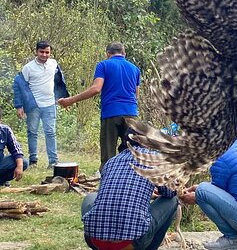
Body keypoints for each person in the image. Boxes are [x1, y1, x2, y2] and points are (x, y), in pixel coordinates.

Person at [80, 132, 178, 250]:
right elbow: (170, 193)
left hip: (95, 240)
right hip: (131, 244)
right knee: (173, 200)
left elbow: (104, 194)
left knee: (91, 197)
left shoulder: (111, 161)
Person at [58, 42, 141, 169]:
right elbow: (136, 95)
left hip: (111, 113)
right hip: (131, 114)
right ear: (124, 53)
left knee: (108, 154)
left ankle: (107, 182)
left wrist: (70, 100)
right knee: (132, 152)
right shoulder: (135, 69)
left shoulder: (103, 65)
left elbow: (96, 89)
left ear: (108, 54)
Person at [12, 40, 69, 168]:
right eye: (41, 52)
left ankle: (53, 161)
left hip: (50, 104)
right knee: (32, 132)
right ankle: (33, 161)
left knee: (50, 132)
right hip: (33, 105)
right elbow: (18, 85)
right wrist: (19, 106)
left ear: (50, 52)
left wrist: (64, 99)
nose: (44, 55)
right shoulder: (28, 67)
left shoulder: (54, 64)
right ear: (36, 52)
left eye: (47, 52)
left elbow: (60, 82)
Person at [0, 119, 27, 187]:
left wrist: (19, 166)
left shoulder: (5, 130)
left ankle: (1, 181)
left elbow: (16, 149)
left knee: (23, 162)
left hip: (1, 164)